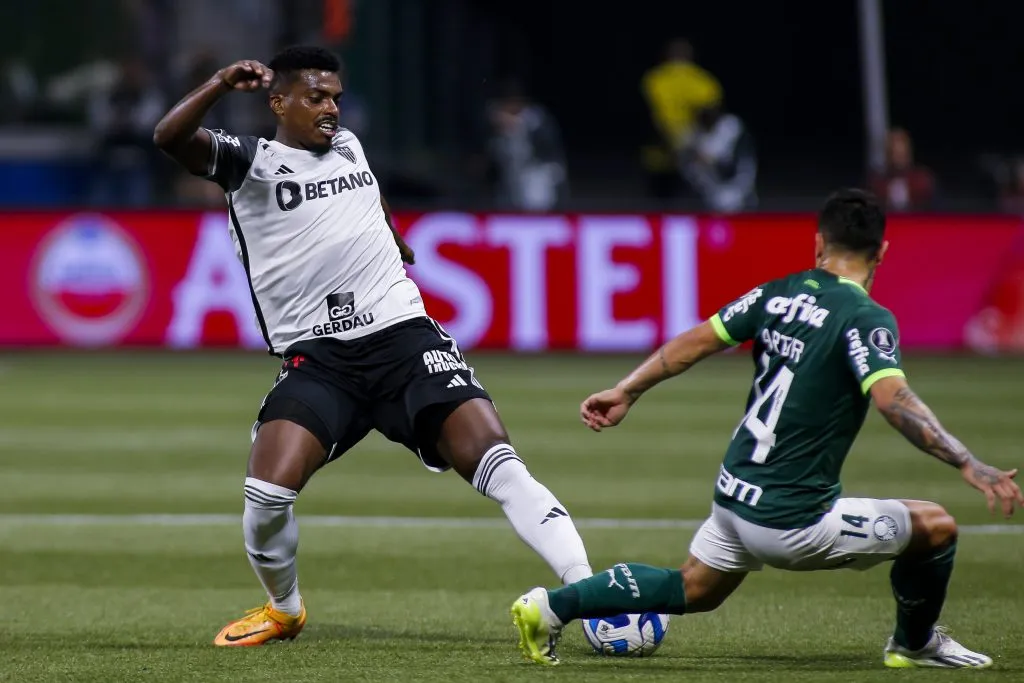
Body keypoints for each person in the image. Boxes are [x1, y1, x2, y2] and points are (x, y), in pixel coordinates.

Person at [152, 45, 594, 647]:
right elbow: (168, 136)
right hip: (321, 358)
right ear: (278, 102)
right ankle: (285, 609)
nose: (330, 107)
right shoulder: (249, 162)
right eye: (315, 97)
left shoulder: (350, 146)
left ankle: (590, 594)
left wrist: (393, 235)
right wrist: (220, 84)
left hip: (404, 340)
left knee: (498, 461)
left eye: (334, 96)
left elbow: (368, 195)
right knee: (266, 494)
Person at [510, 189, 1023, 669]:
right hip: (789, 522)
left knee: (693, 588)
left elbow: (697, 340)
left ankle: (549, 607)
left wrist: (627, 389)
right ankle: (914, 644)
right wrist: (965, 461)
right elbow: (895, 402)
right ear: (882, 251)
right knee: (936, 527)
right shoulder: (866, 318)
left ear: (818, 242)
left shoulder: (777, 295)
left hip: (733, 497)